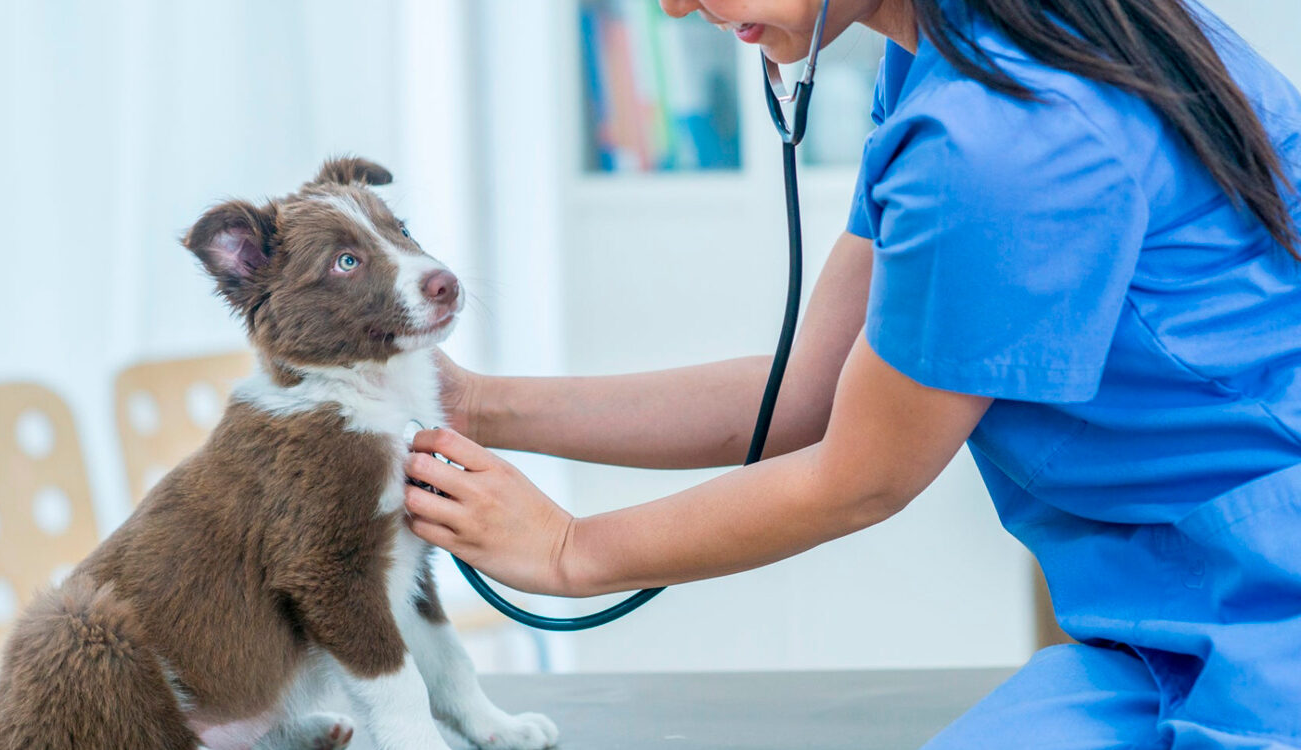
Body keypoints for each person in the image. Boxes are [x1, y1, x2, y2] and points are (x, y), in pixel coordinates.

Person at [403, 0, 1301, 746]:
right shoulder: (951, 61)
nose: (674, 5)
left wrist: (571, 550)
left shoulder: (1001, 140)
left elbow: (861, 478)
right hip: (1168, 619)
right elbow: (813, 390)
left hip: (1270, 617)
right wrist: (476, 404)